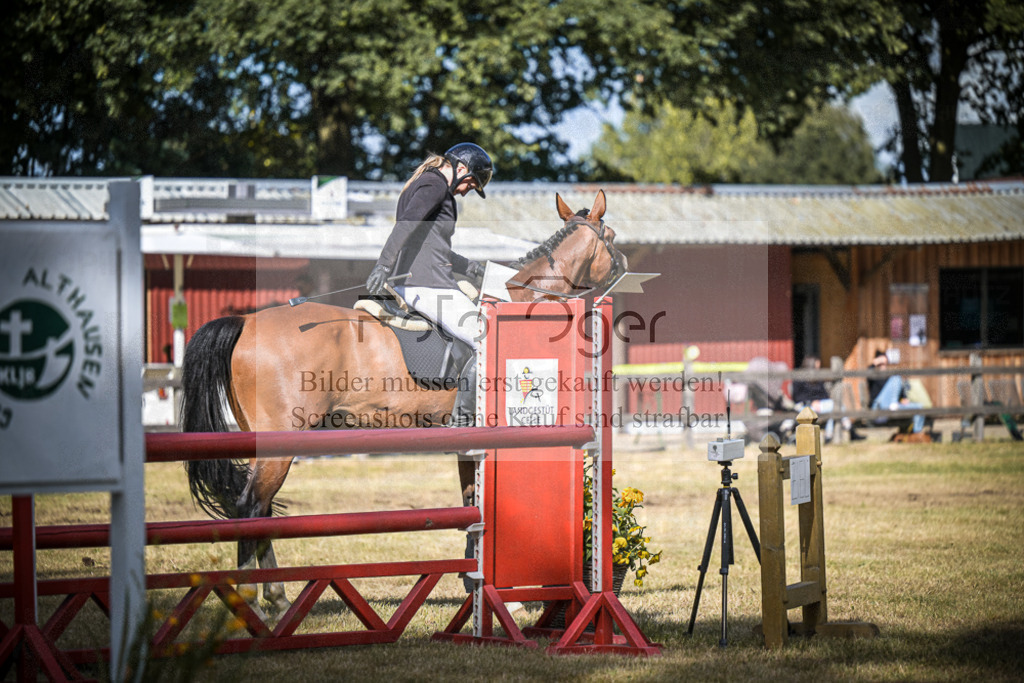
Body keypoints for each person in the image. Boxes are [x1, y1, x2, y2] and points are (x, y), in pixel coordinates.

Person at [365, 142, 493, 427]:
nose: (467, 190)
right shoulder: (435, 186)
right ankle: (463, 423)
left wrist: (472, 268)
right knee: (490, 340)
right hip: (428, 286)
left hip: (423, 281)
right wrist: (383, 264)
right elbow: (406, 225)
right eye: (471, 183)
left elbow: (432, 248)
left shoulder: (430, 185)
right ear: (461, 168)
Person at [791, 356, 854, 442]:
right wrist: (811, 402)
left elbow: (824, 395)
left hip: (820, 405)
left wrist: (819, 402)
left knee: (835, 407)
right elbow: (797, 397)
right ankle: (848, 428)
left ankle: (830, 433)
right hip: (805, 406)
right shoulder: (799, 379)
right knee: (835, 406)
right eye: (817, 366)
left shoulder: (818, 379)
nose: (818, 369)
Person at [867, 350, 925, 434]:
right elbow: (868, 372)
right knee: (896, 377)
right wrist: (875, 362)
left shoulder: (890, 377)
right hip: (879, 407)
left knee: (919, 407)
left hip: (893, 406)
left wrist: (904, 397)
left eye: (884, 361)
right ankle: (893, 405)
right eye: (881, 362)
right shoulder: (873, 375)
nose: (883, 364)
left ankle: (917, 433)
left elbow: (897, 389)